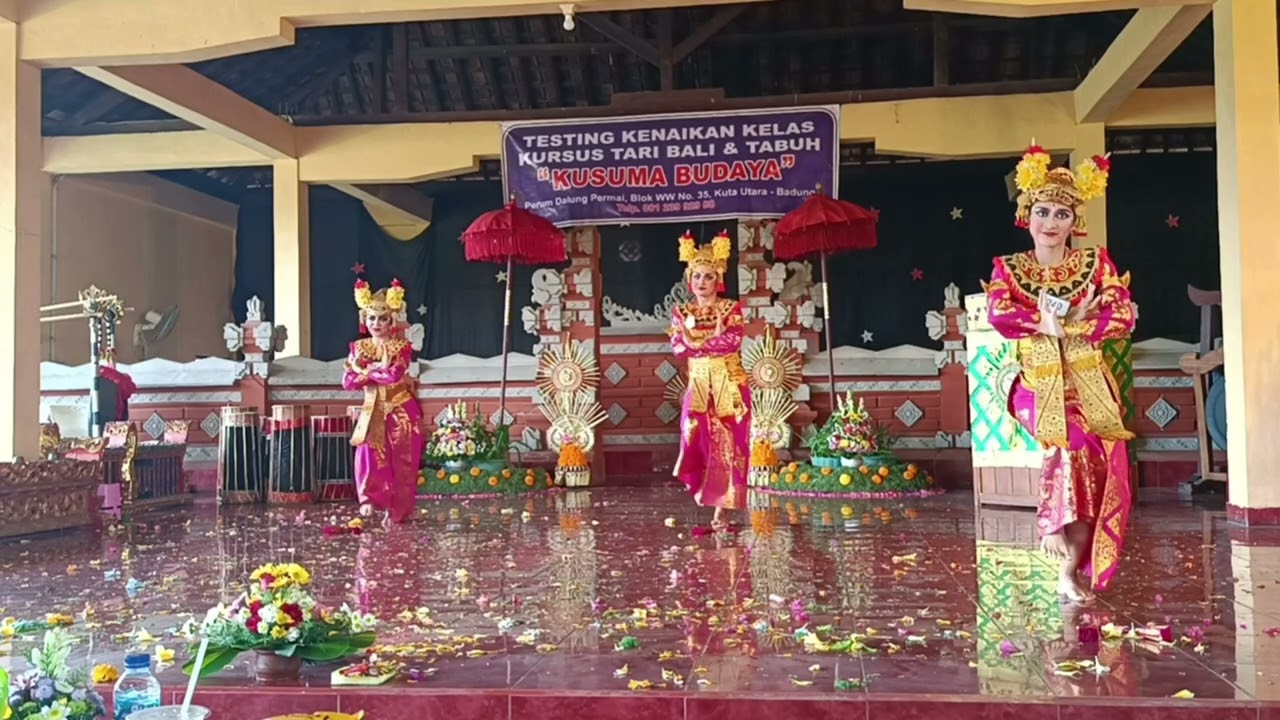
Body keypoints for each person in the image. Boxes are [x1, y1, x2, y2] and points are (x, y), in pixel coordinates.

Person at [984, 143, 1136, 602]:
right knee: (1068, 439)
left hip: (1088, 381)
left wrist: (1073, 323)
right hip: (1035, 382)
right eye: (1043, 212)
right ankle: (1051, 521)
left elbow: (1124, 313)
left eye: (1062, 215)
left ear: (1076, 222)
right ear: (1026, 216)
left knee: (1099, 465)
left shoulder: (1095, 266)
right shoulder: (1009, 270)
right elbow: (999, 314)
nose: (1051, 223)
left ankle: (1068, 570)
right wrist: (1044, 323)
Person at [668, 230, 751, 529]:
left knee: (727, 444)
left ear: (718, 280)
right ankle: (705, 491)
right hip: (699, 385)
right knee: (694, 436)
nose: (701, 282)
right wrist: (706, 339)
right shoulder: (682, 311)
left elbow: (732, 341)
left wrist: (697, 341)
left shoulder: (730, 308)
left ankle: (722, 507)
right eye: (697, 276)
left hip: (729, 387)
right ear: (690, 279)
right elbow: (678, 347)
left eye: (708, 276)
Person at [343, 278, 423, 526]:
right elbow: (347, 380)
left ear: (392, 321)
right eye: (372, 318)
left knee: (402, 461)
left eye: (382, 318)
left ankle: (397, 510)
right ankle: (368, 500)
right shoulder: (358, 348)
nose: (376, 324)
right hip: (371, 411)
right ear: (364, 320)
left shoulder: (402, 347)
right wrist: (373, 371)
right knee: (367, 456)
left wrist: (365, 373)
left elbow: (393, 375)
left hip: (400, 411)